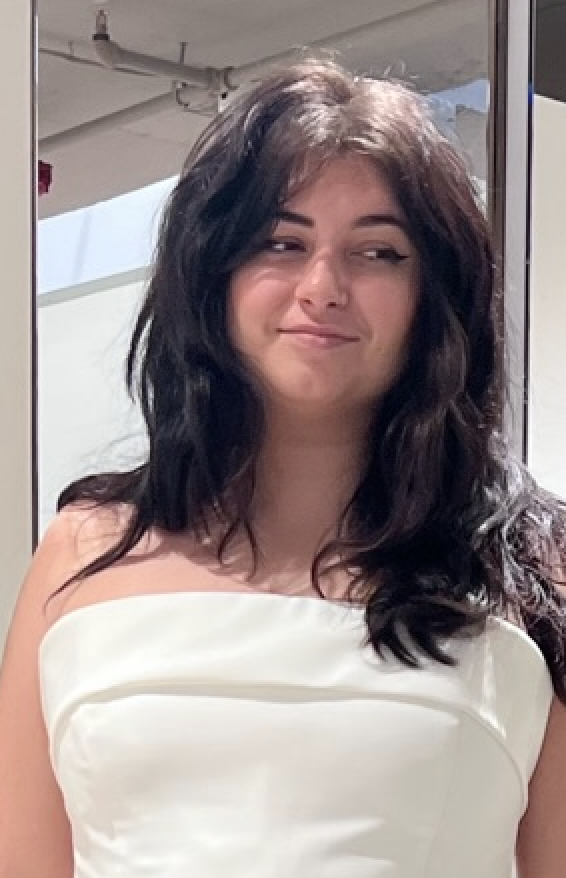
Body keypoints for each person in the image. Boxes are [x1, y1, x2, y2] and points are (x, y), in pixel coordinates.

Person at [1, 58, 565, 878]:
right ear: (214, 271)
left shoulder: (531, 570)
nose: (323, 286)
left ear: (435, 294)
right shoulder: (81, 556)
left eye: (379, 252)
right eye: (280, 242)